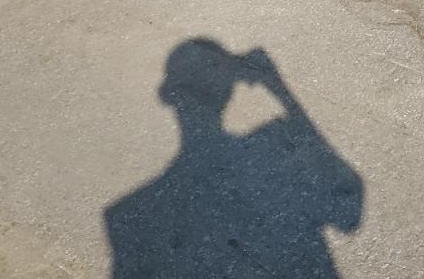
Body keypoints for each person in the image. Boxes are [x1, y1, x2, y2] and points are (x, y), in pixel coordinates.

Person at [105, 40, 362, 279]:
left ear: (168, 93)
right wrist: (278, 87)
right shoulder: (270, 147)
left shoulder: (123, 218)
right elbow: (347, 211)